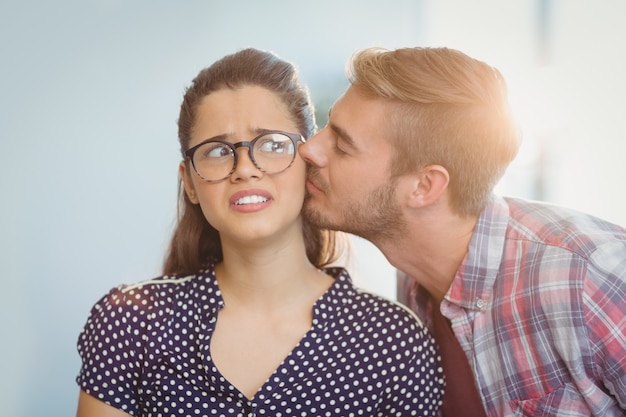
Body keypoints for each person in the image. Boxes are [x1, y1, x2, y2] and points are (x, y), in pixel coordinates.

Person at [74, 48, 444, 417]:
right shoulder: (129, 325)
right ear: (190, 183)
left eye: (271, 145)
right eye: (217, 151)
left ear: (308, 160)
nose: (245, 169)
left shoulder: (395, 343)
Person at [298, 46, 626, 417]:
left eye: (342, 146)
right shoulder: (414, 280)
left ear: (424, 187)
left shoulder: (591, 275)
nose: (309, 149)